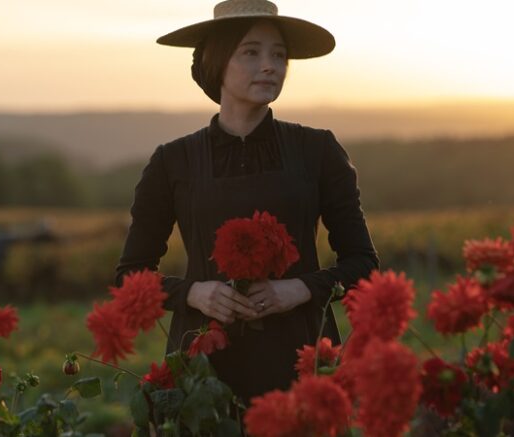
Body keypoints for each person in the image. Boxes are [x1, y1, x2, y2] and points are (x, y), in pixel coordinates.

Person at [115, 0, 378, 403]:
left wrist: (301, 288)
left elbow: (363, 264)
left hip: (301, 361)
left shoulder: (318, 151)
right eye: (251, 52)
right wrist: (193, 293)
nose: (270, 66)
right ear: (217, 61)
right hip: (202, 375)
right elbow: (129, 276)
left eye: (279, 55)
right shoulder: (172, 161)